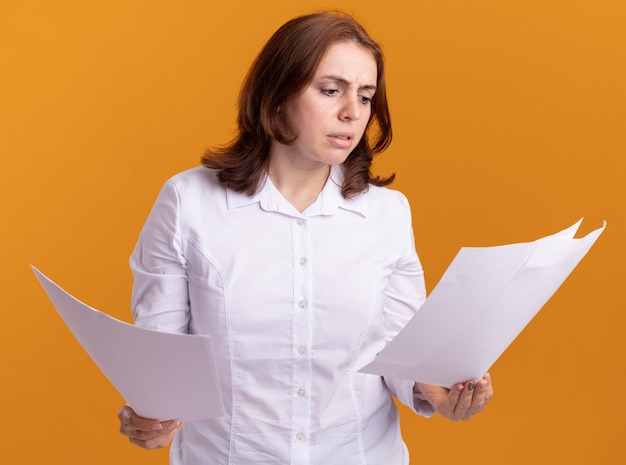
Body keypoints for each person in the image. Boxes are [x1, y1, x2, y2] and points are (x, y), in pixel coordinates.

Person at [118, 10, 493, 465]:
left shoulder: (387, 214)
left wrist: (438, 390)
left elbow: (401, 351)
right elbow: (161, 362)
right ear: (276, 95)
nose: (352, 112)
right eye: (331, 90)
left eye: (366, 96)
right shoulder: (187, 202)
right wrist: (151, 420)